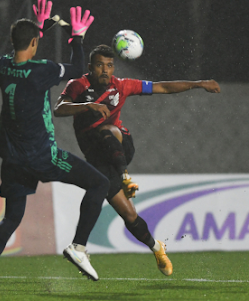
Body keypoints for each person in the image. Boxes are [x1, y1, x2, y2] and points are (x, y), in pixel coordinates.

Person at [0, 1, 109, 294]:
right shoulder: (41, 70)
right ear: (34, 43)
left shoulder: (2, 66)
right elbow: (75, 68)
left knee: (11, 218)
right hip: (43, 157)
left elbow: (22, 52)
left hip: (12, 159)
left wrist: (39, 27)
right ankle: (78, 247)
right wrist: (78, 37)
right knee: (99, 183)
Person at [54, 44, 221, 276]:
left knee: (108, 129)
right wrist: (87, 106)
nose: (105, 70)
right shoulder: (78, 85)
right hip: (98, 159)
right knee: (129, 215)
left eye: (109, 66)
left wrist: (198, 84)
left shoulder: (122, 86)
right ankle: (156, 247)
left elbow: (161, 87)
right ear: (91, 67)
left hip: (121, 145)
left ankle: (125, 177)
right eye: (100, 65)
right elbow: (59, 109)